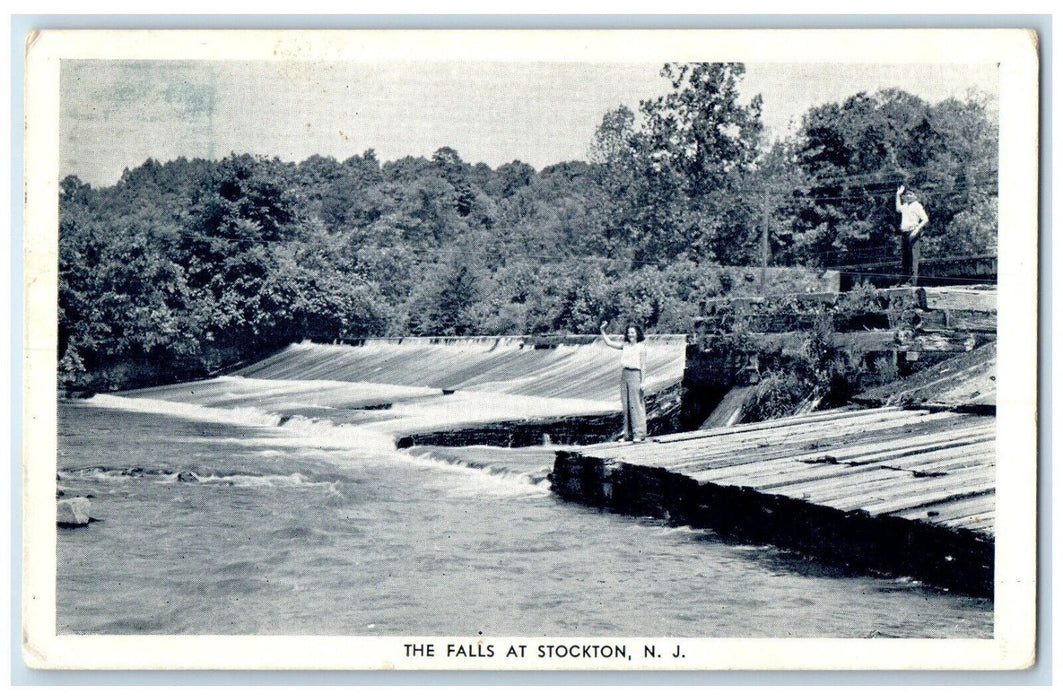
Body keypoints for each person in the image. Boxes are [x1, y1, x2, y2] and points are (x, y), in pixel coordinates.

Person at [599, 321, 648, 442]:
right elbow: (609, 343)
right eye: (629, 332)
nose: (630, 334)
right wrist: (602, 331)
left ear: (637, 334)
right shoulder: (625, 345)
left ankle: (639, 434)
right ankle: (628, 435)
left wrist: (643, 382)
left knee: (636, 405)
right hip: (624, 375)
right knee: (626, 406)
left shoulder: (641, 347)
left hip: (635, 375)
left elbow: (643, 366)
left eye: (633, 332)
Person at [895, 185, 930, 286]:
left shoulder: (917, 205)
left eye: (911, 194)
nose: (908, 196)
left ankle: (912, 282)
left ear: (915, 196)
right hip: (904, 233)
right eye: (907, 194)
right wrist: (898, 195)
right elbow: (898, 209)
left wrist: (917, 230)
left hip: (913, 232)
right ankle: (903, 281)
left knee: (913, 258)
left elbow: (925, 219)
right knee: (905, 258)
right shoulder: (905, 205)